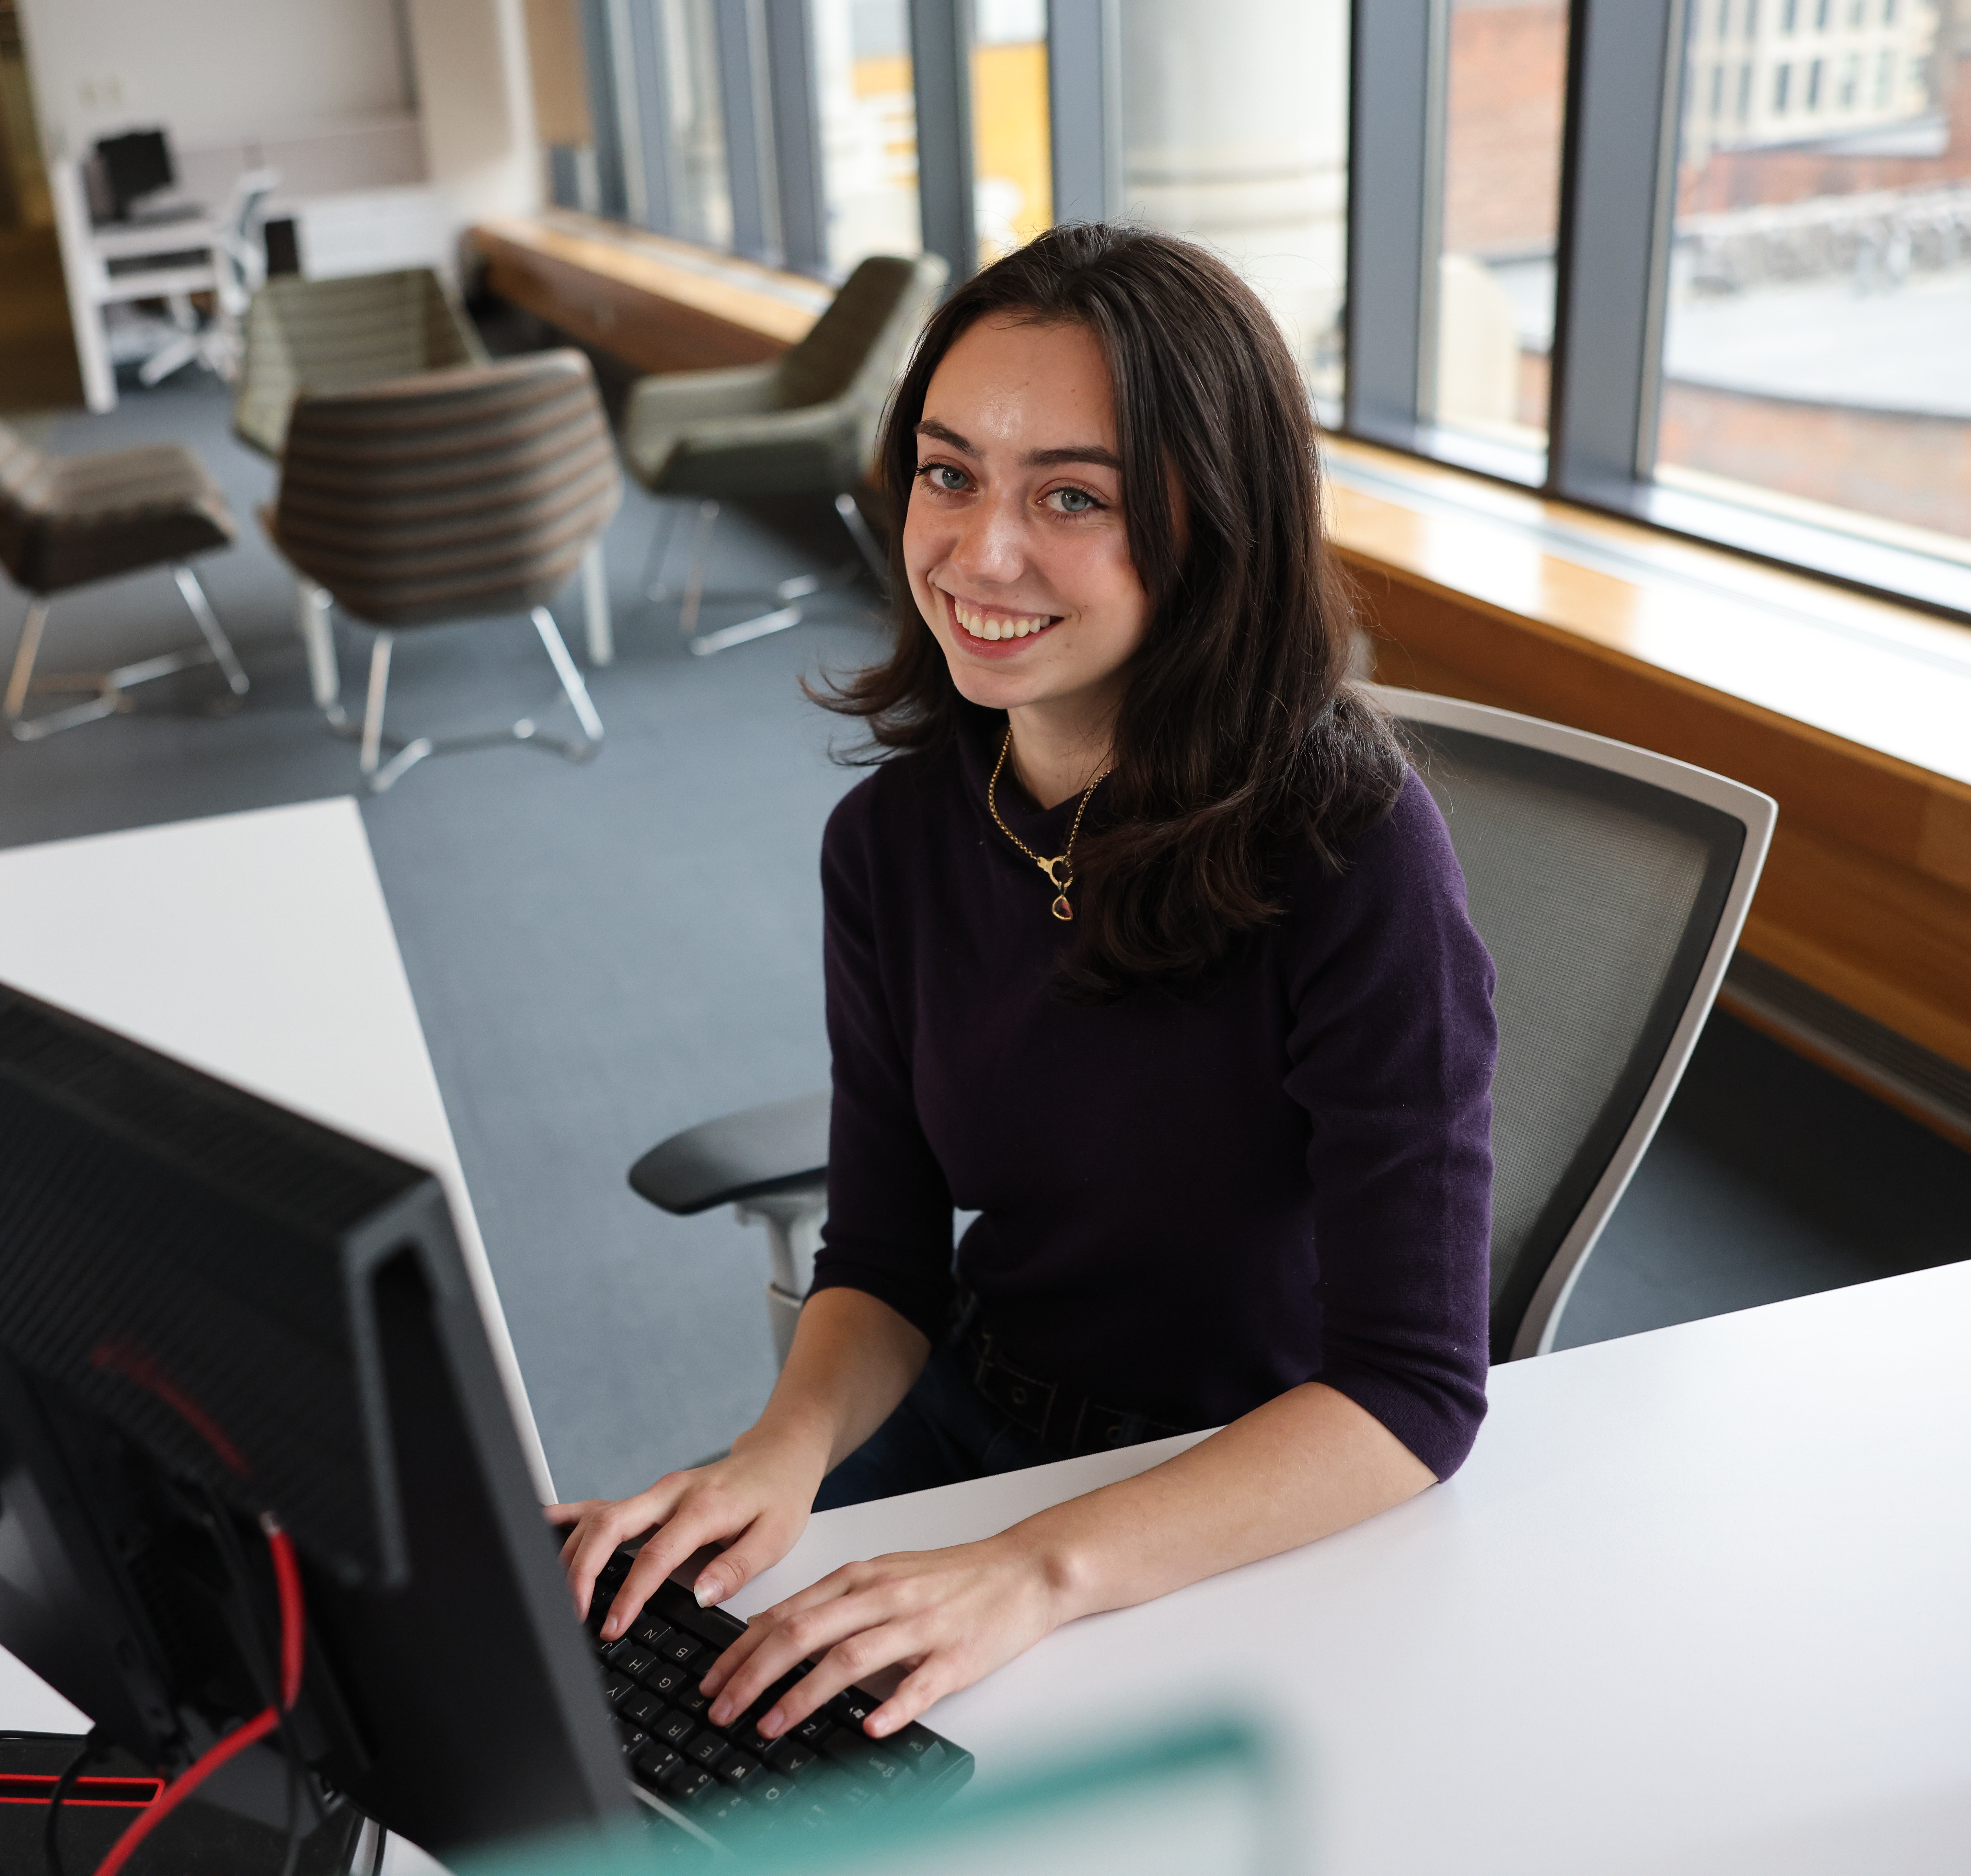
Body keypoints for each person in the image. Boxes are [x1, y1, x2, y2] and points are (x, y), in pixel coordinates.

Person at [550, 225, 1497, 1752]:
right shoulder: (894, 840)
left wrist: (1034, 1569)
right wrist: (775, 1453)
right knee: (674, 1726)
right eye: (947, 472)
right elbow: (884, 1256)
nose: (980, 553)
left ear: (1213, 521)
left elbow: (1410, 1393)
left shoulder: (1350, 853)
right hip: (976, 1420)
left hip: (1243, 1478)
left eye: (1072, 495)